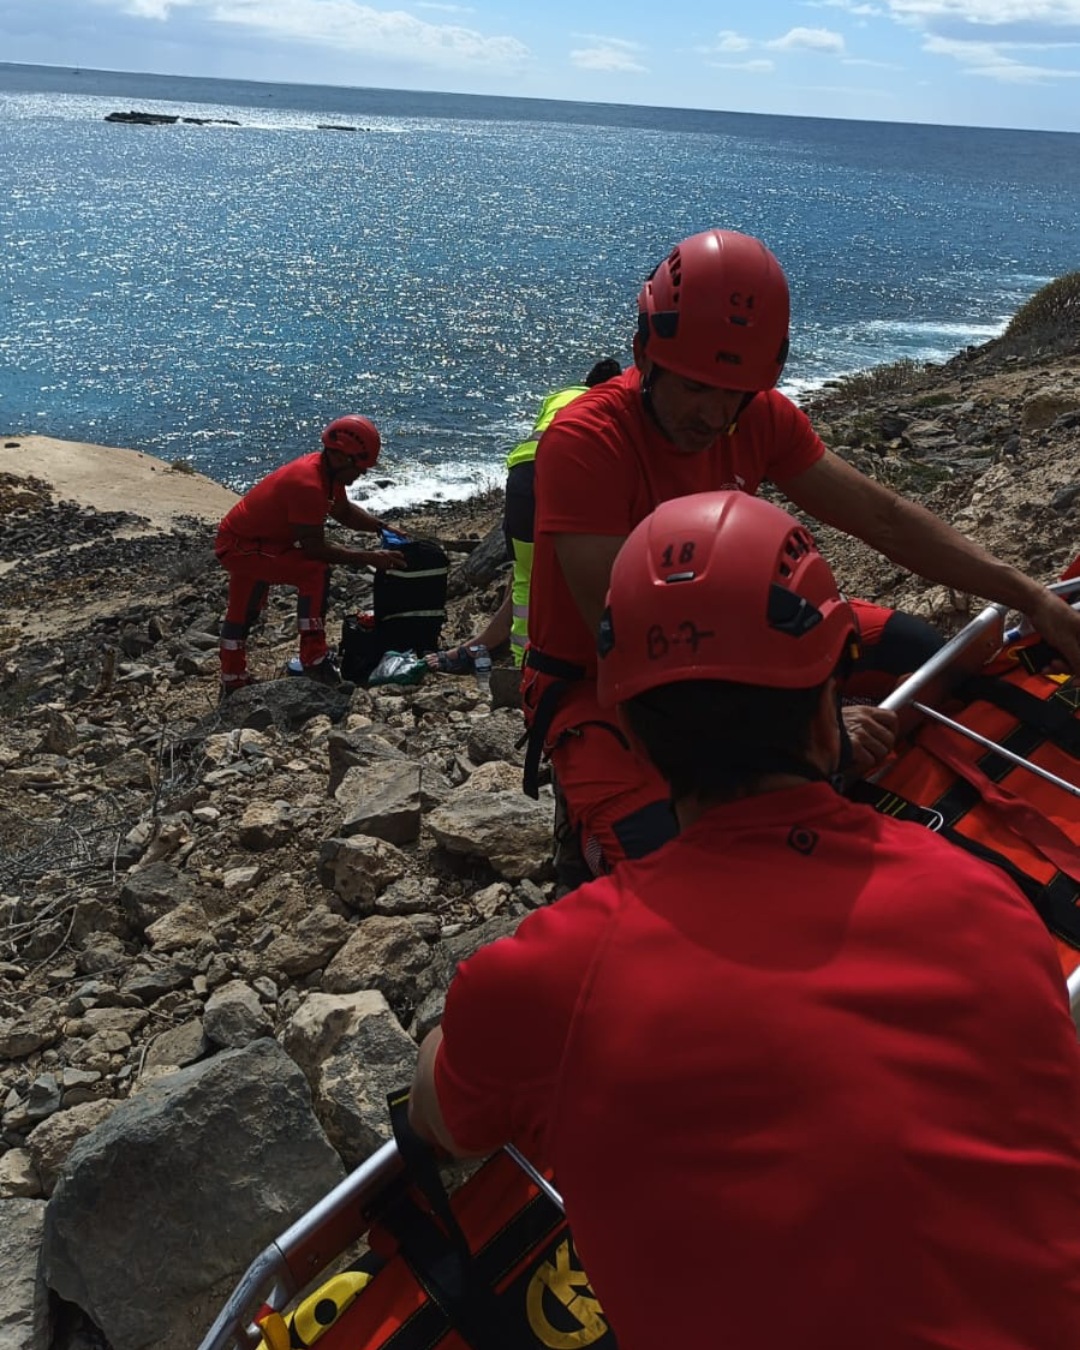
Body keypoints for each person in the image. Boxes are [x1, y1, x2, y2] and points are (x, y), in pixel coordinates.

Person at [409, 490, 1080, 1350]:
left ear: (631, 726)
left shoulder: (550, 977)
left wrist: (477, 1031)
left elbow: (442, 1115)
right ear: (832, 690)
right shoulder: (983, 901)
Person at [523, 227, 1080, 877]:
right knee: (682, 874)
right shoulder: (587, 440)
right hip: (607, 684)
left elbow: (886, 518)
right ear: (643, 351)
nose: (714, 414)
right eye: (695, 387)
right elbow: (630, 644)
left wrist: (1029, 595)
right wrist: (814, 736)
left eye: (734, 392)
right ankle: (589, 848)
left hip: (745, 633)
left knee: (935, 662)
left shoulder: (755, 417)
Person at [427, 359, 621, 674]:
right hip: (564, 473)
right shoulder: (613, 401)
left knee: (526, 577)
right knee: (585, 569)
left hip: (521, 478)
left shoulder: (559, 397)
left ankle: (524, 670)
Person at [215, 415, 405, 694]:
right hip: (242, 547)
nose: (362, 474)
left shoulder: (326, 473)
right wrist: (369, 557)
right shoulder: (309, 485)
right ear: (341, 457)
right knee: (315, 572)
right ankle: (314, 661)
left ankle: (232, 680)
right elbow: (315, 550)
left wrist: (380, 527)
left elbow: (342, 511)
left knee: (243, 610)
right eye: (360, 467)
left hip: (253, 541)